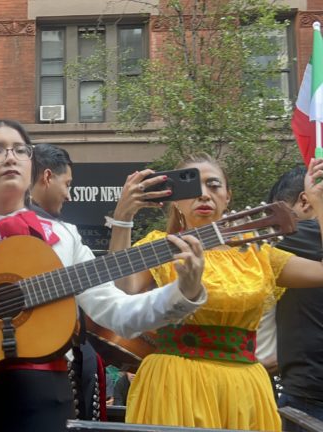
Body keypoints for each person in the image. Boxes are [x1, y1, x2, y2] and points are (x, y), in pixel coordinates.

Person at [0, 119, 207, 431]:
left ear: (31, 168)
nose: (10, 157)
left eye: (20, 150)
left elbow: (118, 313)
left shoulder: (66, 237)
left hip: (40, 398)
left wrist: (183, 292)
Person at [108, 153, 323, 430]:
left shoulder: (257, 254)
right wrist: (123, 217)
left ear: (228, 196)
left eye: (213, 185)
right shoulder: (160, 246)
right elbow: (122, 289)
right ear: (176, 201)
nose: (204, 195)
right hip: (175, 384)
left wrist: (318, 203)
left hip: (245, 388)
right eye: (193, 188)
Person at [30, 142, 105, 420]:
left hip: (59, 367)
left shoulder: (68, 235)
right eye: (67, 183)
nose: (70, 195)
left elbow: (105, 295)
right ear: (47, 177)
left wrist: (123, 222)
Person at [267, 165, 323, 429]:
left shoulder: (296, 235)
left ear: (304, 200)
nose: (272, 224)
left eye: (276, 215)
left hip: (308, 398)